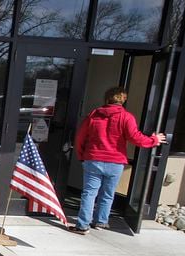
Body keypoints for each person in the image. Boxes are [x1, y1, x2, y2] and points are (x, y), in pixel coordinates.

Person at [70, 87, 166, 234]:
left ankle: (83, 225)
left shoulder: (94, 115)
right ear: (123, 99)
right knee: (107, 194)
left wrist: (81, 156)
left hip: (93, 159)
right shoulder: (127, 117)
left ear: (107, 99)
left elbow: (80, 138)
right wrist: (154, 140)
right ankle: (101, 222)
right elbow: (136, 138)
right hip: (115, 162)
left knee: (89, 193)